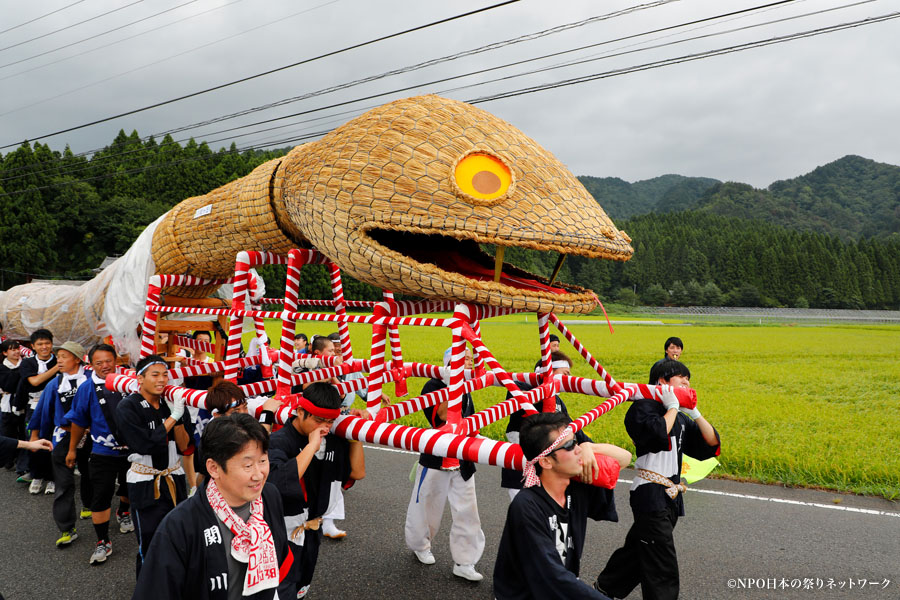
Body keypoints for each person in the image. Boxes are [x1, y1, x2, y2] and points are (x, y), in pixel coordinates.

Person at [132, 413, 294, 599]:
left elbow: (281, 562)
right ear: (214, 468)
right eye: (248, 465)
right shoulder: (180, 525)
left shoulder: (269, 496)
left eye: (263, 461)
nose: (258, 475)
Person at [595, 359, 721, 600]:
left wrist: (695, 413)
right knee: (662, 562)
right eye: (681, 378)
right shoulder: (643, 408)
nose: (687, 382)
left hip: (671, 496)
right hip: (649, 493)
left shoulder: (682, 419)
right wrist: (672, 406)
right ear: (662, 382)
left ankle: (603, 589)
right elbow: (656, 433)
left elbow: (711, 443)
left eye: (689, 379)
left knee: (639, 550)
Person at [493, 412, 631, 599]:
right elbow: (553, 577)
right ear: (546, 461)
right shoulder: (526, 506)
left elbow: (625, 459)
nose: (578, 450)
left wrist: (589, 446)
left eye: (575, 441)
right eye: (569, 446)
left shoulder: (576, 487)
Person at [268, 382, 366, 599]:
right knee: (278, 590)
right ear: (300, 411)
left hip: (312, 530)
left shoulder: (332, 439)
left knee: (301, 587)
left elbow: (356, 473)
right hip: (280, 534)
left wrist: (355, 436)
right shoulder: (278, 441)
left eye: (330, 421)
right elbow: (280, 482)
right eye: (318, 420)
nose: (324, 427)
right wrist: (312, 446)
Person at [405, 346, 485, 582]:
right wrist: (454, 385)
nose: (470, 362)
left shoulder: (466, 387)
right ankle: (421, 545)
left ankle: (465, 561)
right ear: (451, 362)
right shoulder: (433, 385)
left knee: (468, 512)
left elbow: (469, 419)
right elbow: (440, 416)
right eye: (465, 359)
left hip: (463, 459)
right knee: (427, 506)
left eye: (471, 359)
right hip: (436, 456)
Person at [116, 354, 195, 576]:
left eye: (165, 375)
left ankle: (175, 585)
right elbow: (145, 444)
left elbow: (185, 446)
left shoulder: (170, 404)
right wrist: (173, 417)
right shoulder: (128, 406)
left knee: (180, 536)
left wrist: (178, 416)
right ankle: (148, 589)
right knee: (150, 540)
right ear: (139, 378)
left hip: (174, 476)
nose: (162, 380)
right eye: (155, 375)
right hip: (145, 480)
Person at [65, 343, 135, 565]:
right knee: (100, 495)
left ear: (116, 361)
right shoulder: (87, 388)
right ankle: (102, 540)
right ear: (90, 364)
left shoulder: (129, 384)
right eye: (99, 363)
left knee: (129, 488)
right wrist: (72, 449)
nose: (105, 366)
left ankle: (123, 512)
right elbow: (78, 420)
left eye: (109, 361)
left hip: (131, 451)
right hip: (102, 451)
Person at [502, 351, 594, 501]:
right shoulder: (521, 387)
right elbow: (517, 394)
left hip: (545, 467)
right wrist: (545, 390)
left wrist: (590, 446)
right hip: (520, 466)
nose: (568, 379)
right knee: (525, 515)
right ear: (549, 372)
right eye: (565, 374)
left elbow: (572, 428)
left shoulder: (558, 401)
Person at [29, 340, 92, 547]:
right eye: (59, 357)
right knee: (64, 483)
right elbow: (43, 411)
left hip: (91, 435)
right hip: (64, 435)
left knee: (90, 473)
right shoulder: (56, 383)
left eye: (64, 356)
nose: (59, 360)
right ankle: (66, 528)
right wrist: (35, 435)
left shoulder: (91, 379)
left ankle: (90, 504)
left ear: (77, 358)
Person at [13, 328, 58, 492]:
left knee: (53, 442)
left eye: (47, 343)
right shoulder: (28, 363)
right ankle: (37, 475)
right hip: (34, 407)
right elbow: (35, 381)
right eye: (40, 344)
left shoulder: (59, 360)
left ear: (52, 344)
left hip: (56, 407)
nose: (44, 347)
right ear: (33, 346)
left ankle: (52, 478)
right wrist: (57, 368)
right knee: (33, 442)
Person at [0, 340, 24, 471]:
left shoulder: (25, 365)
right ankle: (8, 459)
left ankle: (22, 461)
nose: (16, 351)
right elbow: (6, 386)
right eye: (12, 349)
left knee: (23, 433)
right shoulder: (2, 368)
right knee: (8, 433)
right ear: (5, 352)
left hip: (23, 403)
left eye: (17, 348)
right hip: (7, 405)